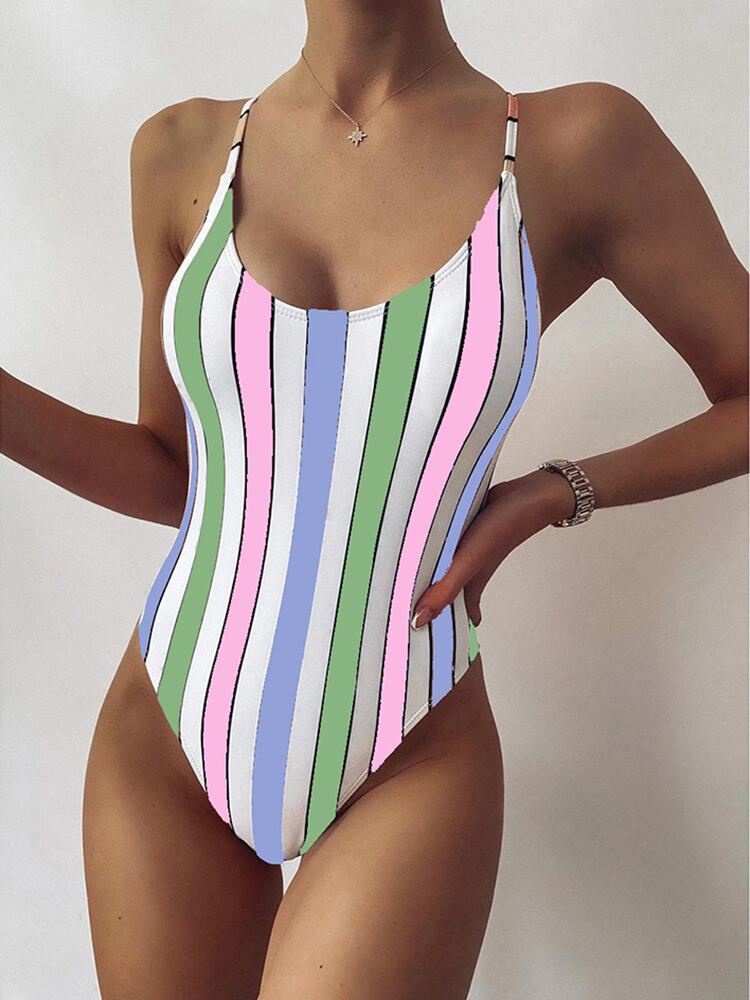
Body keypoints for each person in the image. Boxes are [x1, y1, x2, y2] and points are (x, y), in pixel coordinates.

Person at [2, 2, 747, 997]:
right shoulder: (180, 153)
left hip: (409, 742)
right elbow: (173, 472)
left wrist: (557, 491)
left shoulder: (575, 147)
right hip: (169, 726)